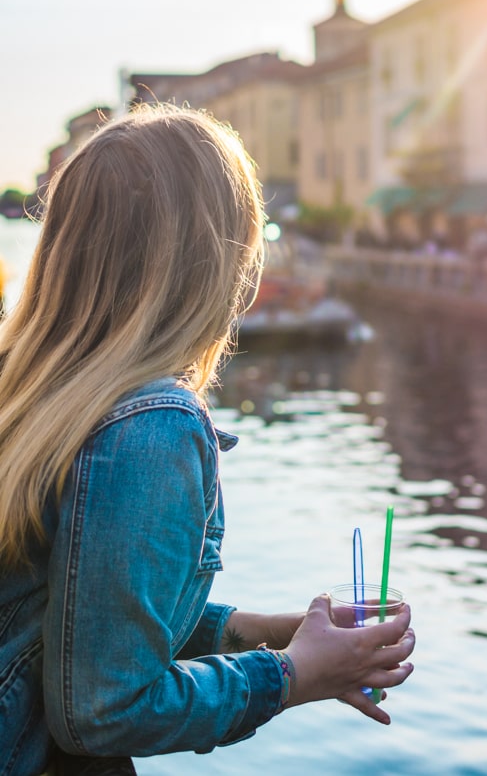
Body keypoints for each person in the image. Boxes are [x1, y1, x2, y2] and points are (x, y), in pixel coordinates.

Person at [0, 105, 415, 775]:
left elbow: (83, 609)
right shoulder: (152, 426)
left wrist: (265, 634)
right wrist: (291, 676)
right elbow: (103, 708)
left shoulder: (27, 394)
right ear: (218, 258)